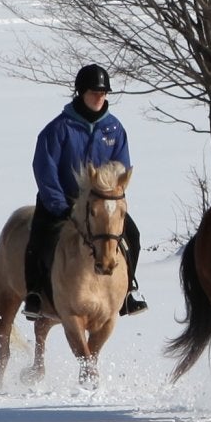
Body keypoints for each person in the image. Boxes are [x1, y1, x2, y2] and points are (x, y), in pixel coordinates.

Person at [26, 64, 147, 316]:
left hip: (101, 205)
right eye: (94, 92)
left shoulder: (114, 129)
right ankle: (35, 293)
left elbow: (120, 169)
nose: (100, 96)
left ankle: (129, 290)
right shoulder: (58, 129)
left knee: (132, 235)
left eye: (103, 93)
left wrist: (112, 201)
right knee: (40, 238)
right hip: (61, 202)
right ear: (80, 92)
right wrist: (60, 205)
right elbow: (44, 169)